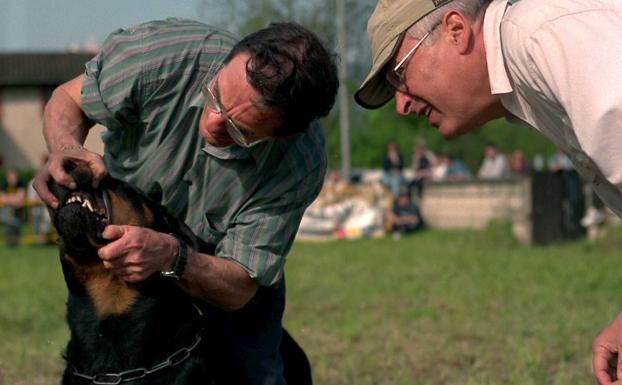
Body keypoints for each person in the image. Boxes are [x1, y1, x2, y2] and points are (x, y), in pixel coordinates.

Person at [33, 19, 339, 385]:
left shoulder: (297, 164)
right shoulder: (159, 58)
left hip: (220, 265)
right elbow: (68, 99)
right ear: (228, 60)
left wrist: (173, 257)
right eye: (214, 96)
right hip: (123, 237)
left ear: (282, 134)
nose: (212, 123)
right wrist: (66, 146)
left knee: (256, 371)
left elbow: (239, 284)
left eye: (238, 130)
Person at [353, 1, 622, 383]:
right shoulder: (531, 60)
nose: (402, 105)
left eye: (399, 75)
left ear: (456, 30)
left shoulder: (541, 38)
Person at [0, 168, 25, 247]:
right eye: (10, 178)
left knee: (15, 226)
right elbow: (2, 198)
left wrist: (9, 199)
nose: (12, 180)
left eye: (14, 178)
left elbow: (21, 196)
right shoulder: (3, 184)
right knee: (13, 224)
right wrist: (14, 199)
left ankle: (14, 243)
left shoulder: (20, 183)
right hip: (5, 210)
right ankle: (11, 243)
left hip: (17, 210)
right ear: (7, 177)